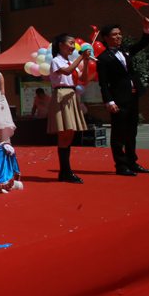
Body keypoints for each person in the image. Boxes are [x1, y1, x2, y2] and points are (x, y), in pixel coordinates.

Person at [97, 18, 149, 176]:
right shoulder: (103, 59)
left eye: (120, 34)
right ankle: (121, 165)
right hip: (118, 99)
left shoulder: (126, 50)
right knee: (118, 133)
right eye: (115, 34)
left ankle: (132, 162)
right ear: (106, 38)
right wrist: (109, 101)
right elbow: (103, 83)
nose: (119, 37)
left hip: (132, 96)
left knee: (131, 131)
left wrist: (146, 29)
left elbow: (143, 43)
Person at [47, 33, 91, 183]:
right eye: (70, 43)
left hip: (71, 95)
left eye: (74, 43)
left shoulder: (70, 61)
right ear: (61, 45)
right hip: (61, 94)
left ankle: (65, 171)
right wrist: (81, 57)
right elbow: (67, 71)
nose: (73, 46)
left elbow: (84, 79)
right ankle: (65, 171)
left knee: (69, 134)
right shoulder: (56, 61)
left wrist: (85, 62)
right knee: (64, 134)